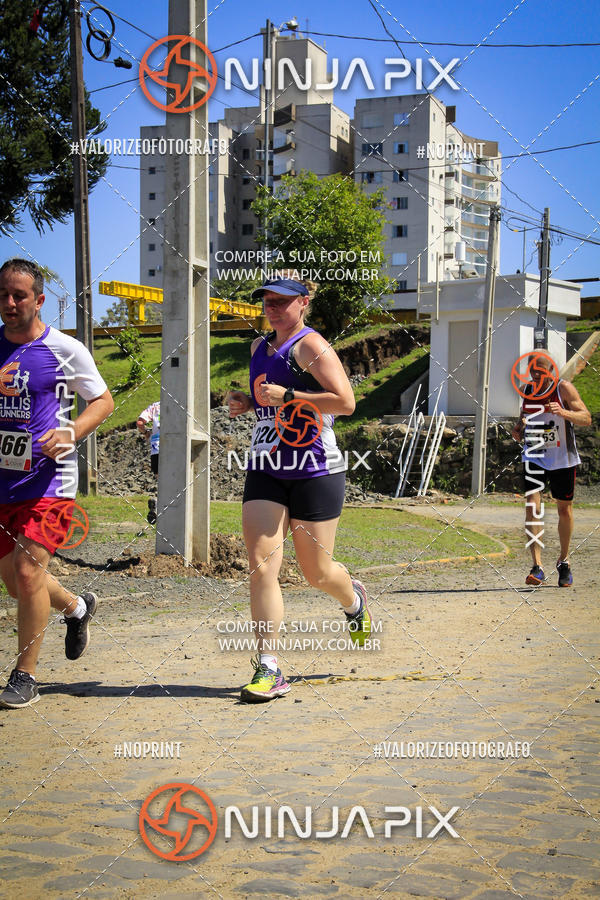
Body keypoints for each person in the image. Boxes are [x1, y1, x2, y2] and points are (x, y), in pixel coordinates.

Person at [227, 274, 372, 703]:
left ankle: (354, 600)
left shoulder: (310, 346)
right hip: (267, 466)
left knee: (316, 573)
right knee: (261, 564)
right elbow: (267, 399)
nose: (272, 307)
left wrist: (287, 395)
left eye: (281, 301)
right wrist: (249, 402)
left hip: (314, 468)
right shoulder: (258, 348)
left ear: (303, 303)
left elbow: (345, 403)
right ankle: (268, 666)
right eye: (267, 301)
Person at [0, 259, 114, 709]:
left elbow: (102, 401)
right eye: (4, 294)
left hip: (49, 482)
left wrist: (71, 432)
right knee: (15, 582)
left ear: (39, 300)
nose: (9, 303)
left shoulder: (65, 348)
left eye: (19, 295)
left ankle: (25, 675)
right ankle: (76, 607)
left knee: (28, 574)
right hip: (3, 483)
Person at [512, 352, 591, 587]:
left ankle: (564, 562)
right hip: (534, 455)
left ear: (551, 369)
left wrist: (563, 412)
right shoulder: (528, 390)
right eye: (532, 369)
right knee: (532, 507)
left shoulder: (563, 388)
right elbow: (524, 417)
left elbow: (586, 417)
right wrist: (518, 428)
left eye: (541, 369)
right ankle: (537, 567)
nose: (536, 374)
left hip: (561, 459)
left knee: (564, 510)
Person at [136, 400, 160, 524]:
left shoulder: (155, 406)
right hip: (174, 445)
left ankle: (157, 501)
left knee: (161, 481)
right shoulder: (181, 402)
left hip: (156, 449)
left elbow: (140, 423)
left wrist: (146, 433)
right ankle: (161, 504)